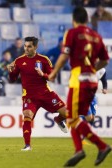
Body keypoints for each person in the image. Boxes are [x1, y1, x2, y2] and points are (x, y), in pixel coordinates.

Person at [48, 7, 111, 166]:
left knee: (71, 117)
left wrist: (54, 72)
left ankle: (102, 146)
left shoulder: (72, 32)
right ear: (88, 20)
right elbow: (105, 60)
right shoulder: (96, 36)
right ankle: (78, 150)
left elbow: (64, 55)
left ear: (73, 19)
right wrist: (92, 69)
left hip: (78, 79)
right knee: (76, 116)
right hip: (92, 81)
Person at [7, 36, 68, 151]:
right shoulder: (19, 61)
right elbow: (12, 79)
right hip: (29, 96)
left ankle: (59, 120)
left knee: (67, 114)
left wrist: (43, 75)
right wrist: (10, 72)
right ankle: (27, 145)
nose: (26, 48)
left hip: (46, 94)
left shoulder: (44, 60)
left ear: (35, 47)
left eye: (29, 46)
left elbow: (52, 77)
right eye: (25, 46)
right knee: (27, 115)